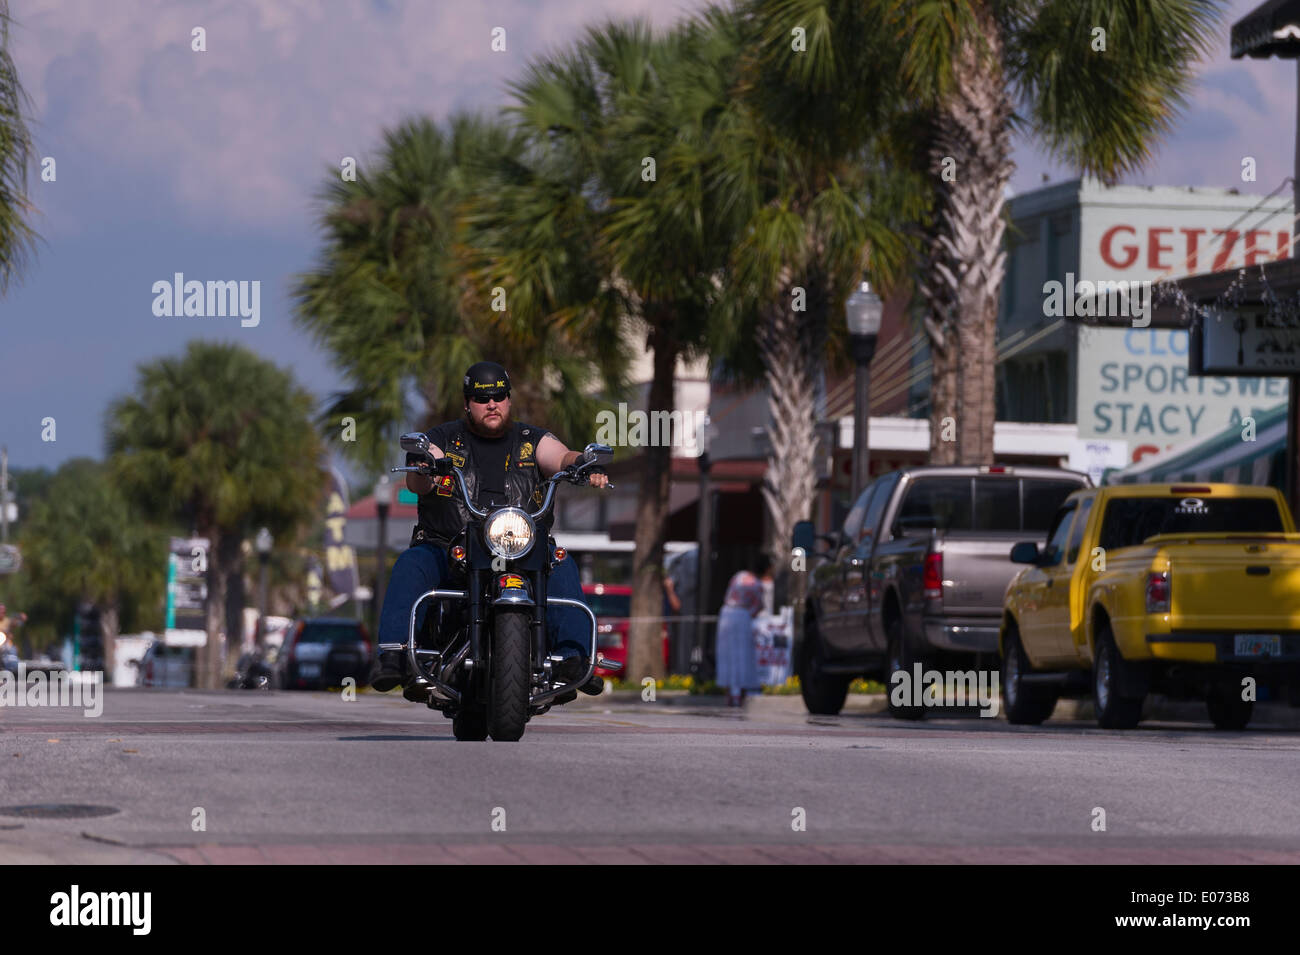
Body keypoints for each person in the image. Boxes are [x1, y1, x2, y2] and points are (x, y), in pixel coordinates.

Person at [373, 361, 609, 696]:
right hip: (450, 547)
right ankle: (394, 655)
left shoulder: (531, 440)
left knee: (559, 561)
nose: (492, 403)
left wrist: (582, 463)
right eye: (482, 398)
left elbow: (560, 456)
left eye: (499, 395)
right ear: (467, 403)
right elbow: (420, 476)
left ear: (509, 400)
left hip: (520, 550)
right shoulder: (444, 437)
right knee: (413, 563)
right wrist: (424, 466)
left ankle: (573, 660)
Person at [715, 554, 773, 707]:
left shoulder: (739, 576)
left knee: (727, 655)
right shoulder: (757, 585)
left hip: (727, 613)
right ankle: (741, 694)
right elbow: (757, 607)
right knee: (743, 655)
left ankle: (729, 693)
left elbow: (727, 595)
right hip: (742, 616)